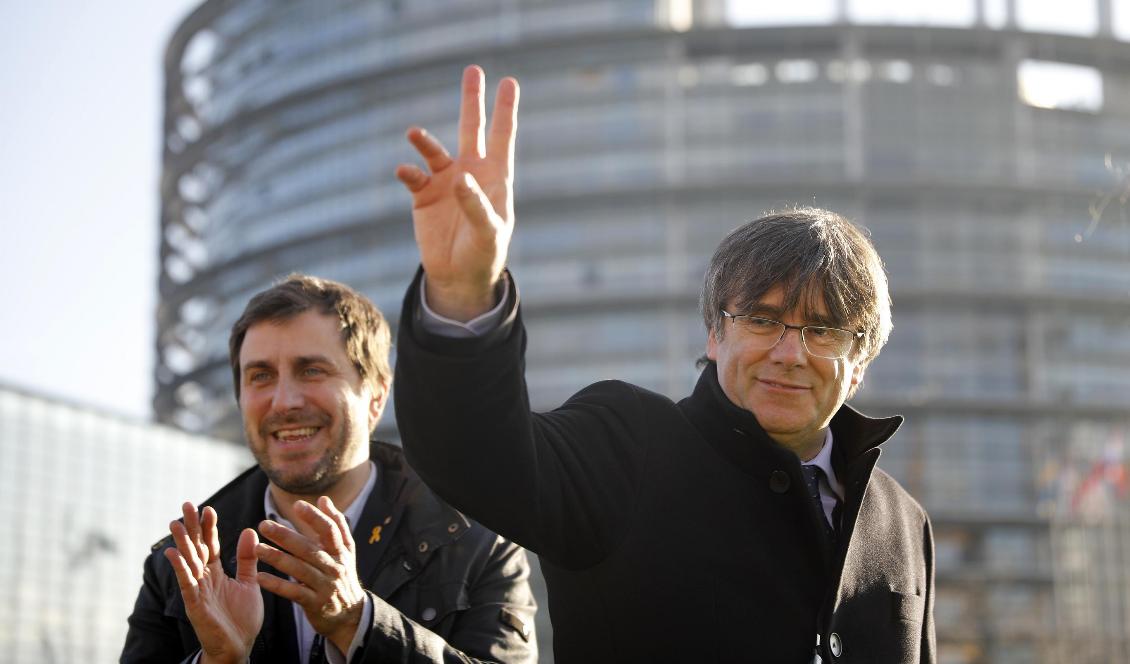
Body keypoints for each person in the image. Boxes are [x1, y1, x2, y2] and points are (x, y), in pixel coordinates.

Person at [392, 65, 935, 663]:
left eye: (823, 330)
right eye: (761, 319)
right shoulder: (626, 445)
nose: (788, 353)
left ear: (858, 361)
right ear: (713, 331)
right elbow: (471, 455)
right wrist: (464, 294)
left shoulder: (902, 519)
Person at [122, 275, 537, 664]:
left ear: (375, 395)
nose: (284, 402)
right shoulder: (177, 566)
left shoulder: (476, 541)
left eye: (312, 370)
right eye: (261, 376)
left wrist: (359, 622)